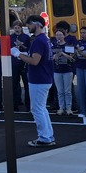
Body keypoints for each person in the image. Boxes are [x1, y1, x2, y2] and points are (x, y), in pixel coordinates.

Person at [15, 15, 55, 148]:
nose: (28, 27)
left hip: (39, 79)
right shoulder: (44, 39)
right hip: (44, 77)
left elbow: (34, 61)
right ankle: (48, 135)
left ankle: (44, 137)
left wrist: (18, 54)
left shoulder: (38, 40)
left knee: (37, 109)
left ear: (37, 24)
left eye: (30, 25)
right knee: (41, 109)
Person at [51, 22, 76, 116]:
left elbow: (72, 58)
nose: (59, 37)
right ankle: (61, 107)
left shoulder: (68, 46)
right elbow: (51, 57)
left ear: (64, 35)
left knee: (67, 91)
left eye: (60, 35)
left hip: (67, 70)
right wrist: (56, 56)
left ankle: (69, 108)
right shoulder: (53, 46)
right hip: (57, 70)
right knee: (59, 90)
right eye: (57, 35)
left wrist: (62, 53)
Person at [10, 21, 29, 110]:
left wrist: (21, 45)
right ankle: (15, 103)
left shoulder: (26, 37)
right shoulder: (11, 37)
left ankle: (28, 104)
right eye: (15, 28)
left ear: (21, 28)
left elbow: (29, 49)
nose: (17, 29)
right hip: (14, 63)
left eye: (18, 28)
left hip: (24, 63)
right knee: (14, 84)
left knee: (26, 84)